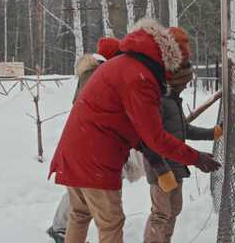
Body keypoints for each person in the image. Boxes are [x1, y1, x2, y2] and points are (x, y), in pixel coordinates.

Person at [48, 18, 221, 243]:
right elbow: (155, 137)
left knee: (80, 215)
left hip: (74, 149)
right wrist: (196, 158)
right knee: (111, 222)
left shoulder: (125, 64)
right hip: (96, 157)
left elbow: (140, 132)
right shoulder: (139, 77)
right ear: (169, 62)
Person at [142, 27, 223, 243]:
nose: (187, 85)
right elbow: (148, 139)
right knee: (160, 213)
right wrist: (161, 170)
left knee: (174, 210)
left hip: (177, 164)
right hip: (161, 168)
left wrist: (212, 133)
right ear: (175, 81)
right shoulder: (159, 101)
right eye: (185, 82)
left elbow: (184, 129)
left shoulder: (174, 102)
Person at [47, 37, 121, 243]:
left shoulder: (89, 74)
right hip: (92, 143)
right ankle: (60, 227)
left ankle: (61, 228)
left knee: (79, 197)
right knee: (92, 201)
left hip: (81, 140)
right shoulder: (99, 75)